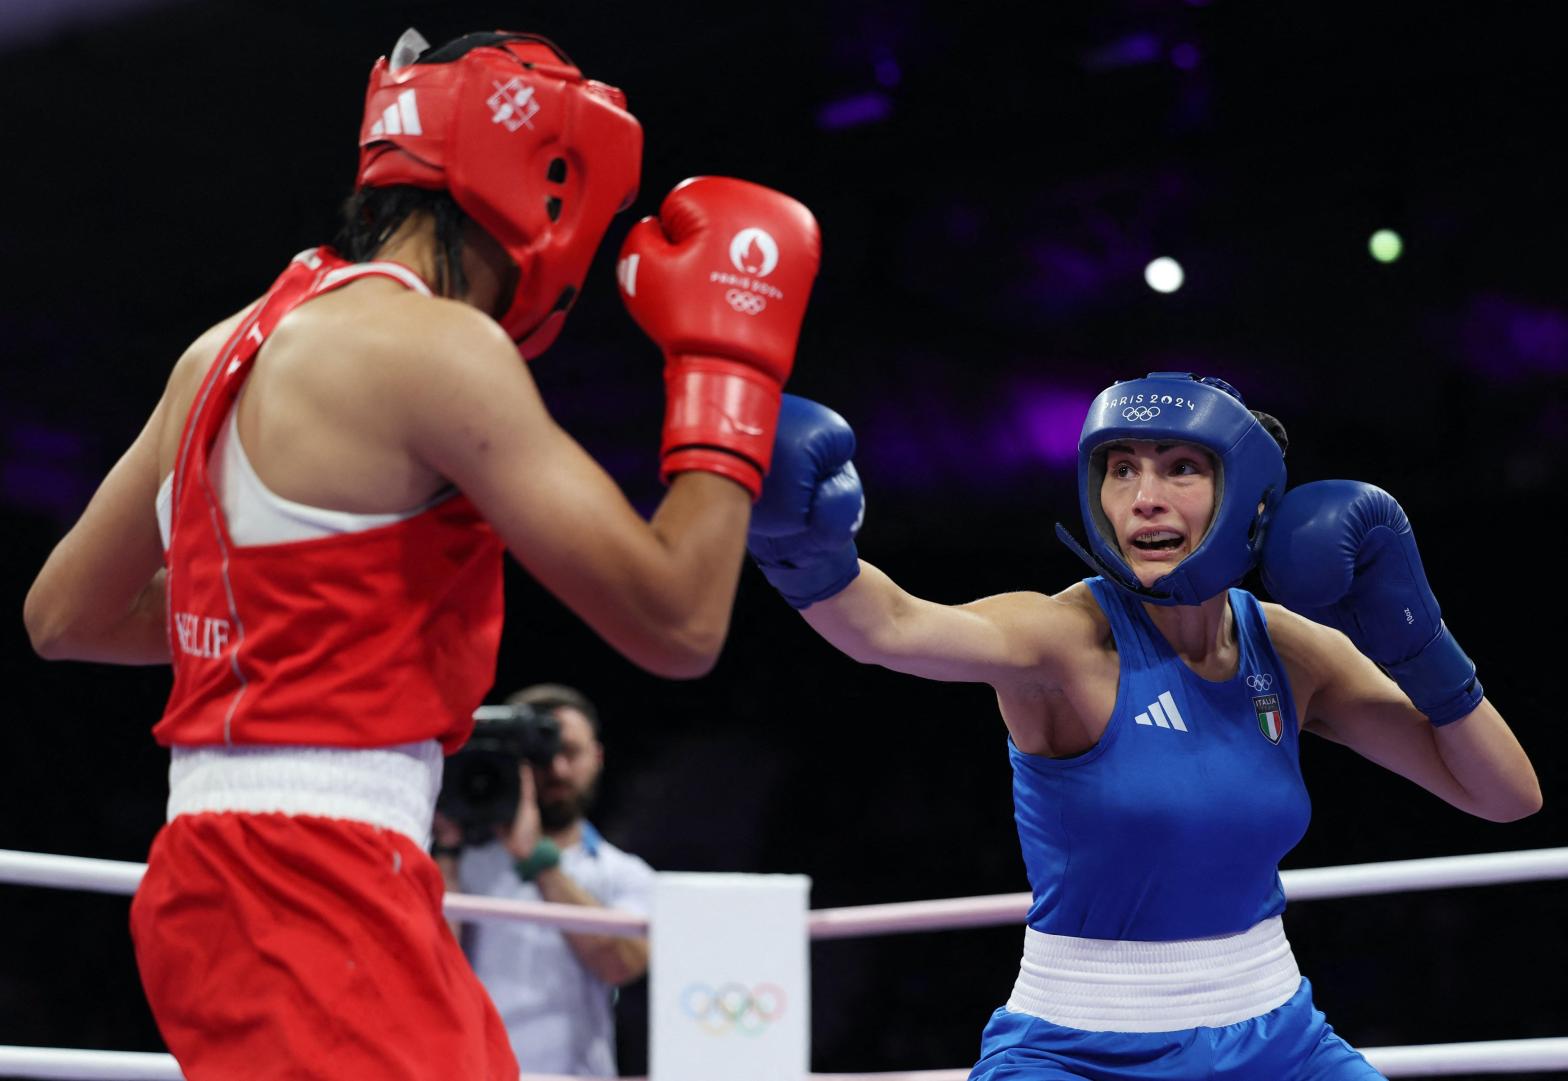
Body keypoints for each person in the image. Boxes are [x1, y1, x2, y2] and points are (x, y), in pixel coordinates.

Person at [22, 27, 819, 1081]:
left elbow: (65, 614)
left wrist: (290, 626)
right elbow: (679, 622)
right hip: (314, 880)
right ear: (548, 183)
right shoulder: (437, 348)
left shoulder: (222, 348)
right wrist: (730, 368)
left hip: (245, 871)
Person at [747, 375, 1541, 1079]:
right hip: (1079, 1048)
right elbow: (889, 627)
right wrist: (805, 551)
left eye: (1181, 467)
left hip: (1280, 1038)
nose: (1143, 496)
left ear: (1249, 496)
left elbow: (1505, 795)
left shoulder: (1291, 650)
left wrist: (1421, 644)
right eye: (1121, 467)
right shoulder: (1065, 638)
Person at [433, 683, 652, 1077]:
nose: (557, 770)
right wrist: (447, 850)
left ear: (597, 757)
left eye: (570, 753)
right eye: (542, 757)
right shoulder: (454, 861)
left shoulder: (624, 873)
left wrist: (537, 859)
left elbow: (622, 966)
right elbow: (429, 971)